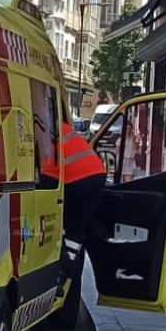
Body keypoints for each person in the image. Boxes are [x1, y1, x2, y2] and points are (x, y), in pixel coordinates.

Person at [57, 118, 106, 298]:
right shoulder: (59, 127)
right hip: (94, 177)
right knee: (74, 230)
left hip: (80, 180)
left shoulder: (45, 130)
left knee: (69, 227)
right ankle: (65, 273)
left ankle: (62, 274)